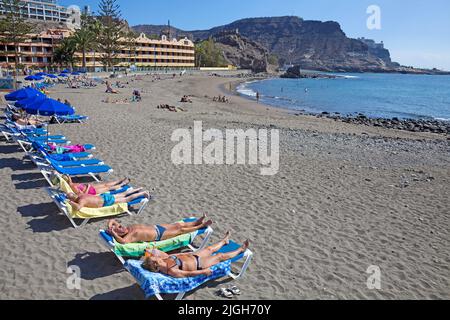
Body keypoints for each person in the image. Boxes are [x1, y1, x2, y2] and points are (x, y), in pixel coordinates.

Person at [142, 232, 250, 278]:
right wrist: (204, 271)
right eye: (154, 259)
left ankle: (224, 241)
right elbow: (188, 274)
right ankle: (240, 249)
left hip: (193, 255)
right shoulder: (171, 271)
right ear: (156, 266)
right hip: (200, 264)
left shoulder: (164, 260)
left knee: (209, 248)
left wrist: (187, 253)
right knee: (219, 256)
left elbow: (176, 255)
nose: (155, 257)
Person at [106, 214, 212, 244]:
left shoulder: (128, 228)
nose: (121, 226)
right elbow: (123, 242)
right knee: (180, 231)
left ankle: (196, 221)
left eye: (119, 225)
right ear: (119, 234)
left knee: (178, 225)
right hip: (159, 235)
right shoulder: (129, 236)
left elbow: (112, 220)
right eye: (119, 229)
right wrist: (114, 234)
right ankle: (201, 226)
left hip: (157, 227)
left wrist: (111, 226)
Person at [66, 188, 150, 211]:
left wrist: (70, 202)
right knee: (122, 194)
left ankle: (142, 193)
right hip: (103, 196)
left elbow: (78, 208)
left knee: (126, 199)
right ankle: (137, 189)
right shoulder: (81, 194)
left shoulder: (81, 201)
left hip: (105, 201)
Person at [62, 175, 130, 196]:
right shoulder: (73, 187)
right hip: (91, 191)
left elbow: (67, 176)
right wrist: (88, 187)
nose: (69, 178)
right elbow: (82, 194)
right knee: (108, 188)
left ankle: (120, 180)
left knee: (105, 184)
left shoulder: (70, 183)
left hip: (89, 187)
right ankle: (122, 184)